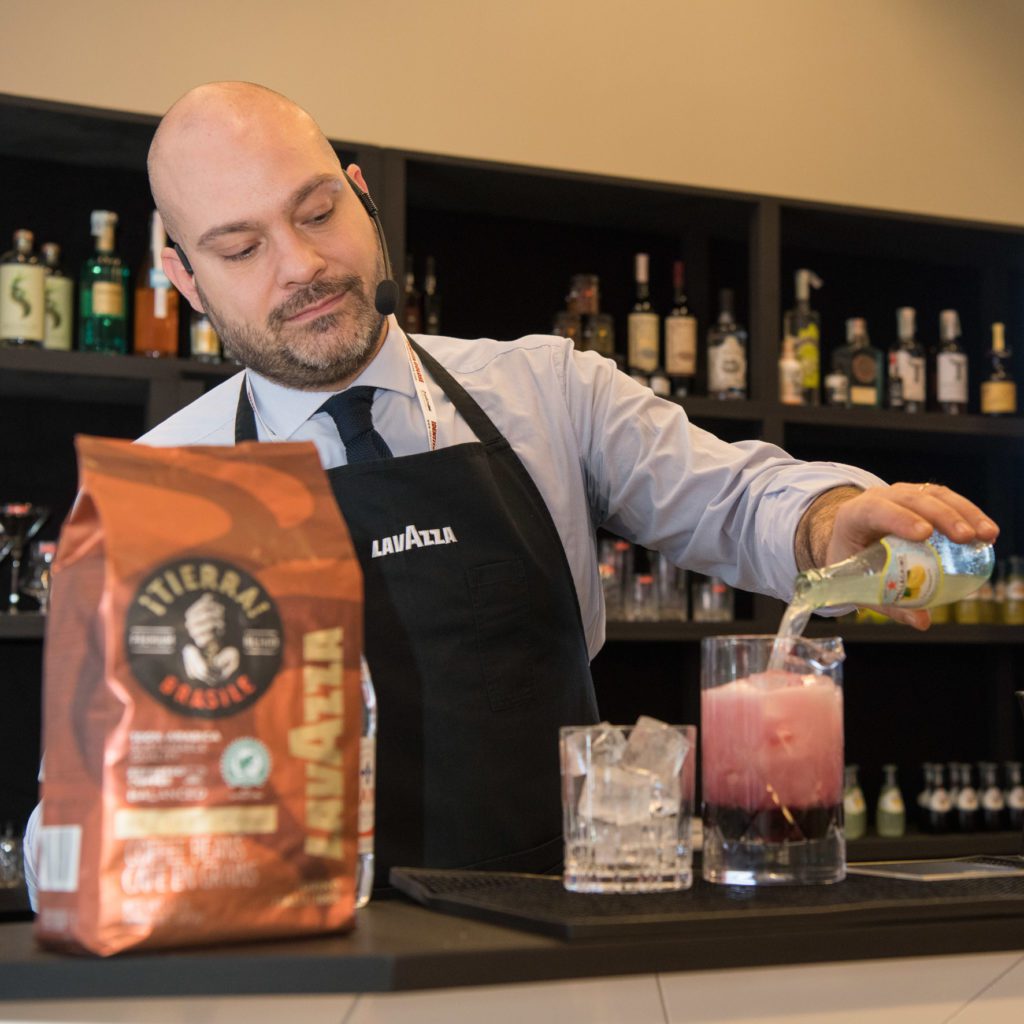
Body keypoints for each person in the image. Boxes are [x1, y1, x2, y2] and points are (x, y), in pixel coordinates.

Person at [24, 82, 998, 904]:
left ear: (363, 197)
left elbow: (737, 499)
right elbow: (78, 821)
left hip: (564, 922)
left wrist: (834, 518)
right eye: (240, 248)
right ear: (183, 279)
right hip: (318, 952)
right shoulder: (157, 486)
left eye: (318, 210)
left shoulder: (543, 388)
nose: (302, 265)